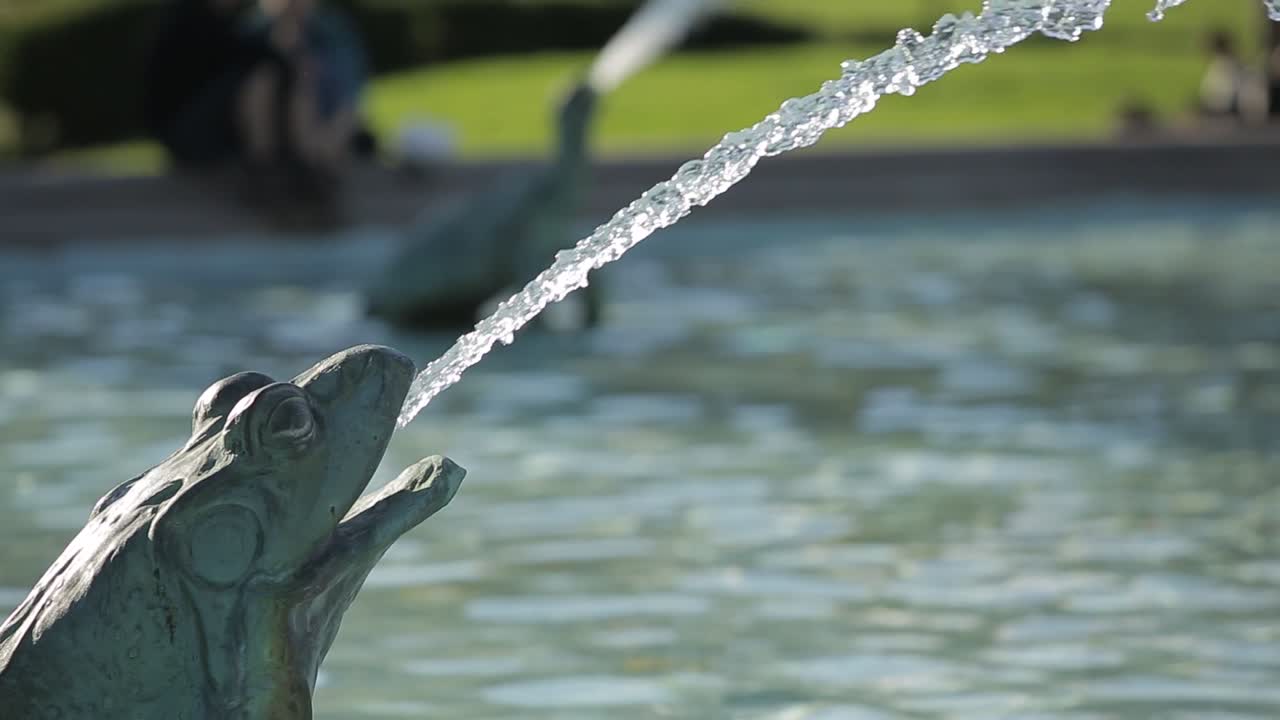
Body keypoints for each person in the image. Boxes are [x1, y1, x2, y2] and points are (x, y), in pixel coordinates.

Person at [1197, 30, 1266, 126]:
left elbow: (1220, 101)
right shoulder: (1225, 64)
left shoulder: (1226, 67)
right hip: (1230, 116)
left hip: (1232, 120)